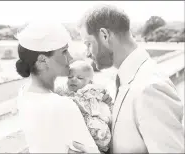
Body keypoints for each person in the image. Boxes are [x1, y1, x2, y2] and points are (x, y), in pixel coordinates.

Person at [69, 4, 184, 153]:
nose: (87, 53)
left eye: (88, 44)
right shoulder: (120, 80)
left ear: (104, 35)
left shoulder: (150, 88)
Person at [15, 21, 110, 153]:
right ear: (43, 60)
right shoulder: (63, 105)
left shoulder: (24, 92)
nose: (70, 58)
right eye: (64, 52)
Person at [55, 60, 113, 153]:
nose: (73, 79)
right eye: (70, 77)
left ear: (90, 82)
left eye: (80, 77)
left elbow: (106, 110)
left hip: (95, 130)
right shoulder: (65, 92)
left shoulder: (93, 92)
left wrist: (106, 101)